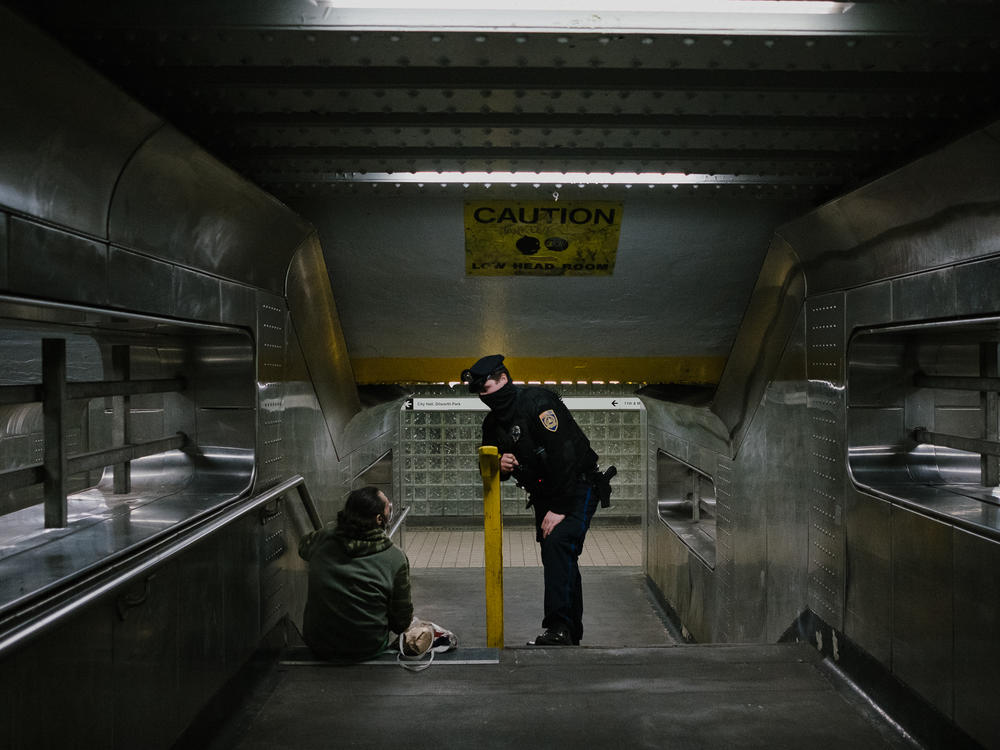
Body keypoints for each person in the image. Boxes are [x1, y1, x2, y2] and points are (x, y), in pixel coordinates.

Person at [462, 354, 601, 646]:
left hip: (577, 486)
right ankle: (569, 631)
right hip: (544, 495)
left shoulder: (538, 403)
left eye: (486, 389)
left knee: (558, 543)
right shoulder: (494, 424)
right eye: (480, 394)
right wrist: (499, 465)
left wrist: (559, 509)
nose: (485, 398)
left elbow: (566, 454)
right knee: (560, 554)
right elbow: (487, 465)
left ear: (503, 379)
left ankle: (559, 628)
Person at [298, 486, 413, 661]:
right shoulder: (396, 558)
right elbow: (401, 622)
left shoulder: (322, 539)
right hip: (368, 647)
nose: (390, 509)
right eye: (388, 507)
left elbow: (302, 548)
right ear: (379, 519)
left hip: (319, 646)